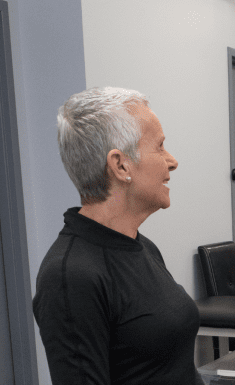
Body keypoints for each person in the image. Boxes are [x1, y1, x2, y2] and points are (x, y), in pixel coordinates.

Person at [33, 87, 205, 385]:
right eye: (160, 147)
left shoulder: (142, 246)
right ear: (120, 165)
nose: (172, 161)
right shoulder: (71, 276)